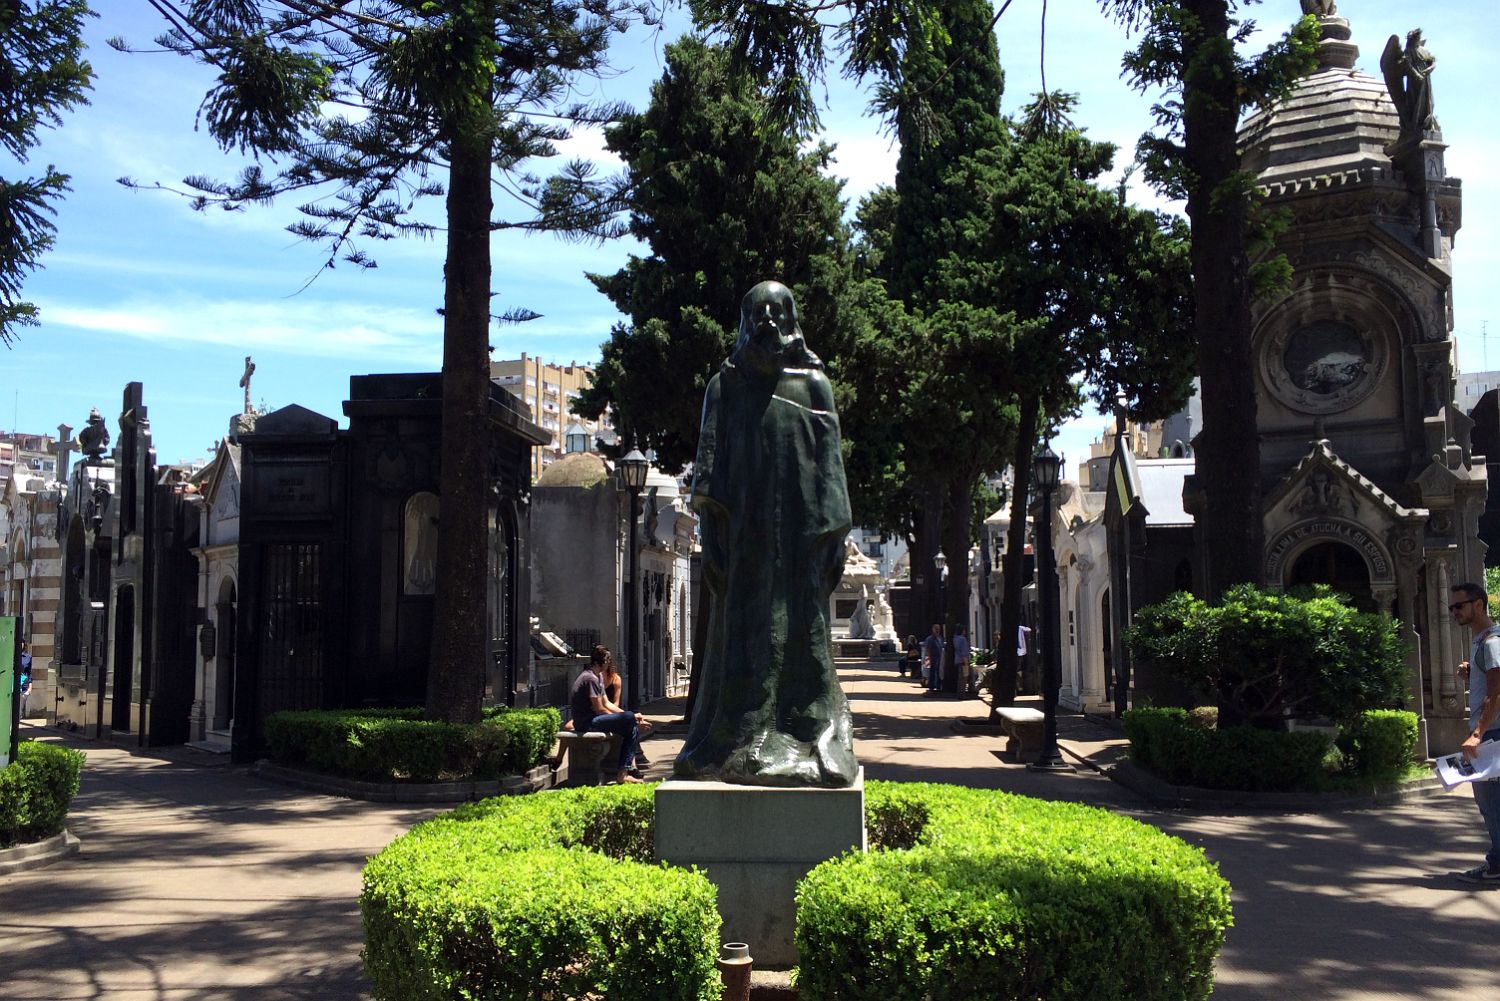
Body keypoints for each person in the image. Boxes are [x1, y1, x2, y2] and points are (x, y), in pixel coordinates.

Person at [675, 280, 857, 787]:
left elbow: (831, 470)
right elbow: (708, 474)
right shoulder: (724, 387)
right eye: (758, 311)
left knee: (805, 636)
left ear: (792, 319)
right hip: (745, 541)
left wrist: (835, 539)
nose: (768, 321)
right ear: (744, 321)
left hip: (802, 542)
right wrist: (711, 540)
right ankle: (732, 742)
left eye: (778, 311)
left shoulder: (814, 386)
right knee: (744, 638)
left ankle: (809, 732)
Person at [1450, 582, 1500, 882]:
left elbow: (1497, 692)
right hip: (1493, 732)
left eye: (1459, 606)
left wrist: (1478, 733)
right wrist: (1474, 671)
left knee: (1492, 804)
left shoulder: (1492, 642)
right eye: (1452, 607)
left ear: (1478, 605)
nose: (1454, 611)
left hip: (1493, 735)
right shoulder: (1484, 642)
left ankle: (1496, 866)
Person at [570, 644, 644, 784]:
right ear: (601, 661)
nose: (609, 663)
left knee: (631, 727)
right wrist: (628, 717)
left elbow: (608, 704)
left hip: (594, 719)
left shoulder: (598, 678)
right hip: (586, 722)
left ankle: (623, 773)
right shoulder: (590, 679)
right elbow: (599, 709)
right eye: (608, 659)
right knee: (629, 719)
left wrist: (629, 716)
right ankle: (624, 771)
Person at [597, 648, 652, 766]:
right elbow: (599, 706)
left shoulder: (615, 679)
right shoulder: (595, 679)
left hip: (610, 713)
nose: (606, 663)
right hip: (597, 715)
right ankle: (558, 759)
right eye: (605, 660)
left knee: (631, 727)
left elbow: (613, 703)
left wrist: (625, 716)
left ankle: (631, 766)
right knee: (568, 726)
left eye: (608, 660)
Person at [922, 623, 944, 695]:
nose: (937, 630)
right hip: (932, 657)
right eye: (936, 629)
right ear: (933, 629)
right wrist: (929, 659)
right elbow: (928, 649)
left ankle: (938, 686)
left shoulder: (940, 638)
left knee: (938, 672)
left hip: (939, 657)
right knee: (932, 672)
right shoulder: (930, 639)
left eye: (938, 629)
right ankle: (931, 686)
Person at [952, 626, 971, 696]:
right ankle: (962, 694)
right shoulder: (963, 639)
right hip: (963, 660)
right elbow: (964, 651)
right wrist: (966, 662)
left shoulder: (955, 638)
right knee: (964, 678)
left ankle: (959, 693)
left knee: (960, 678)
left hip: (957, 659)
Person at [18, 640, 32, 719]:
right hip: (11, 685)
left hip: (23, 686)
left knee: (19, 710)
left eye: (22, 643)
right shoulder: (11, 656)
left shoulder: (28, 657)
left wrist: (30, 687)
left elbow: (29, 673)